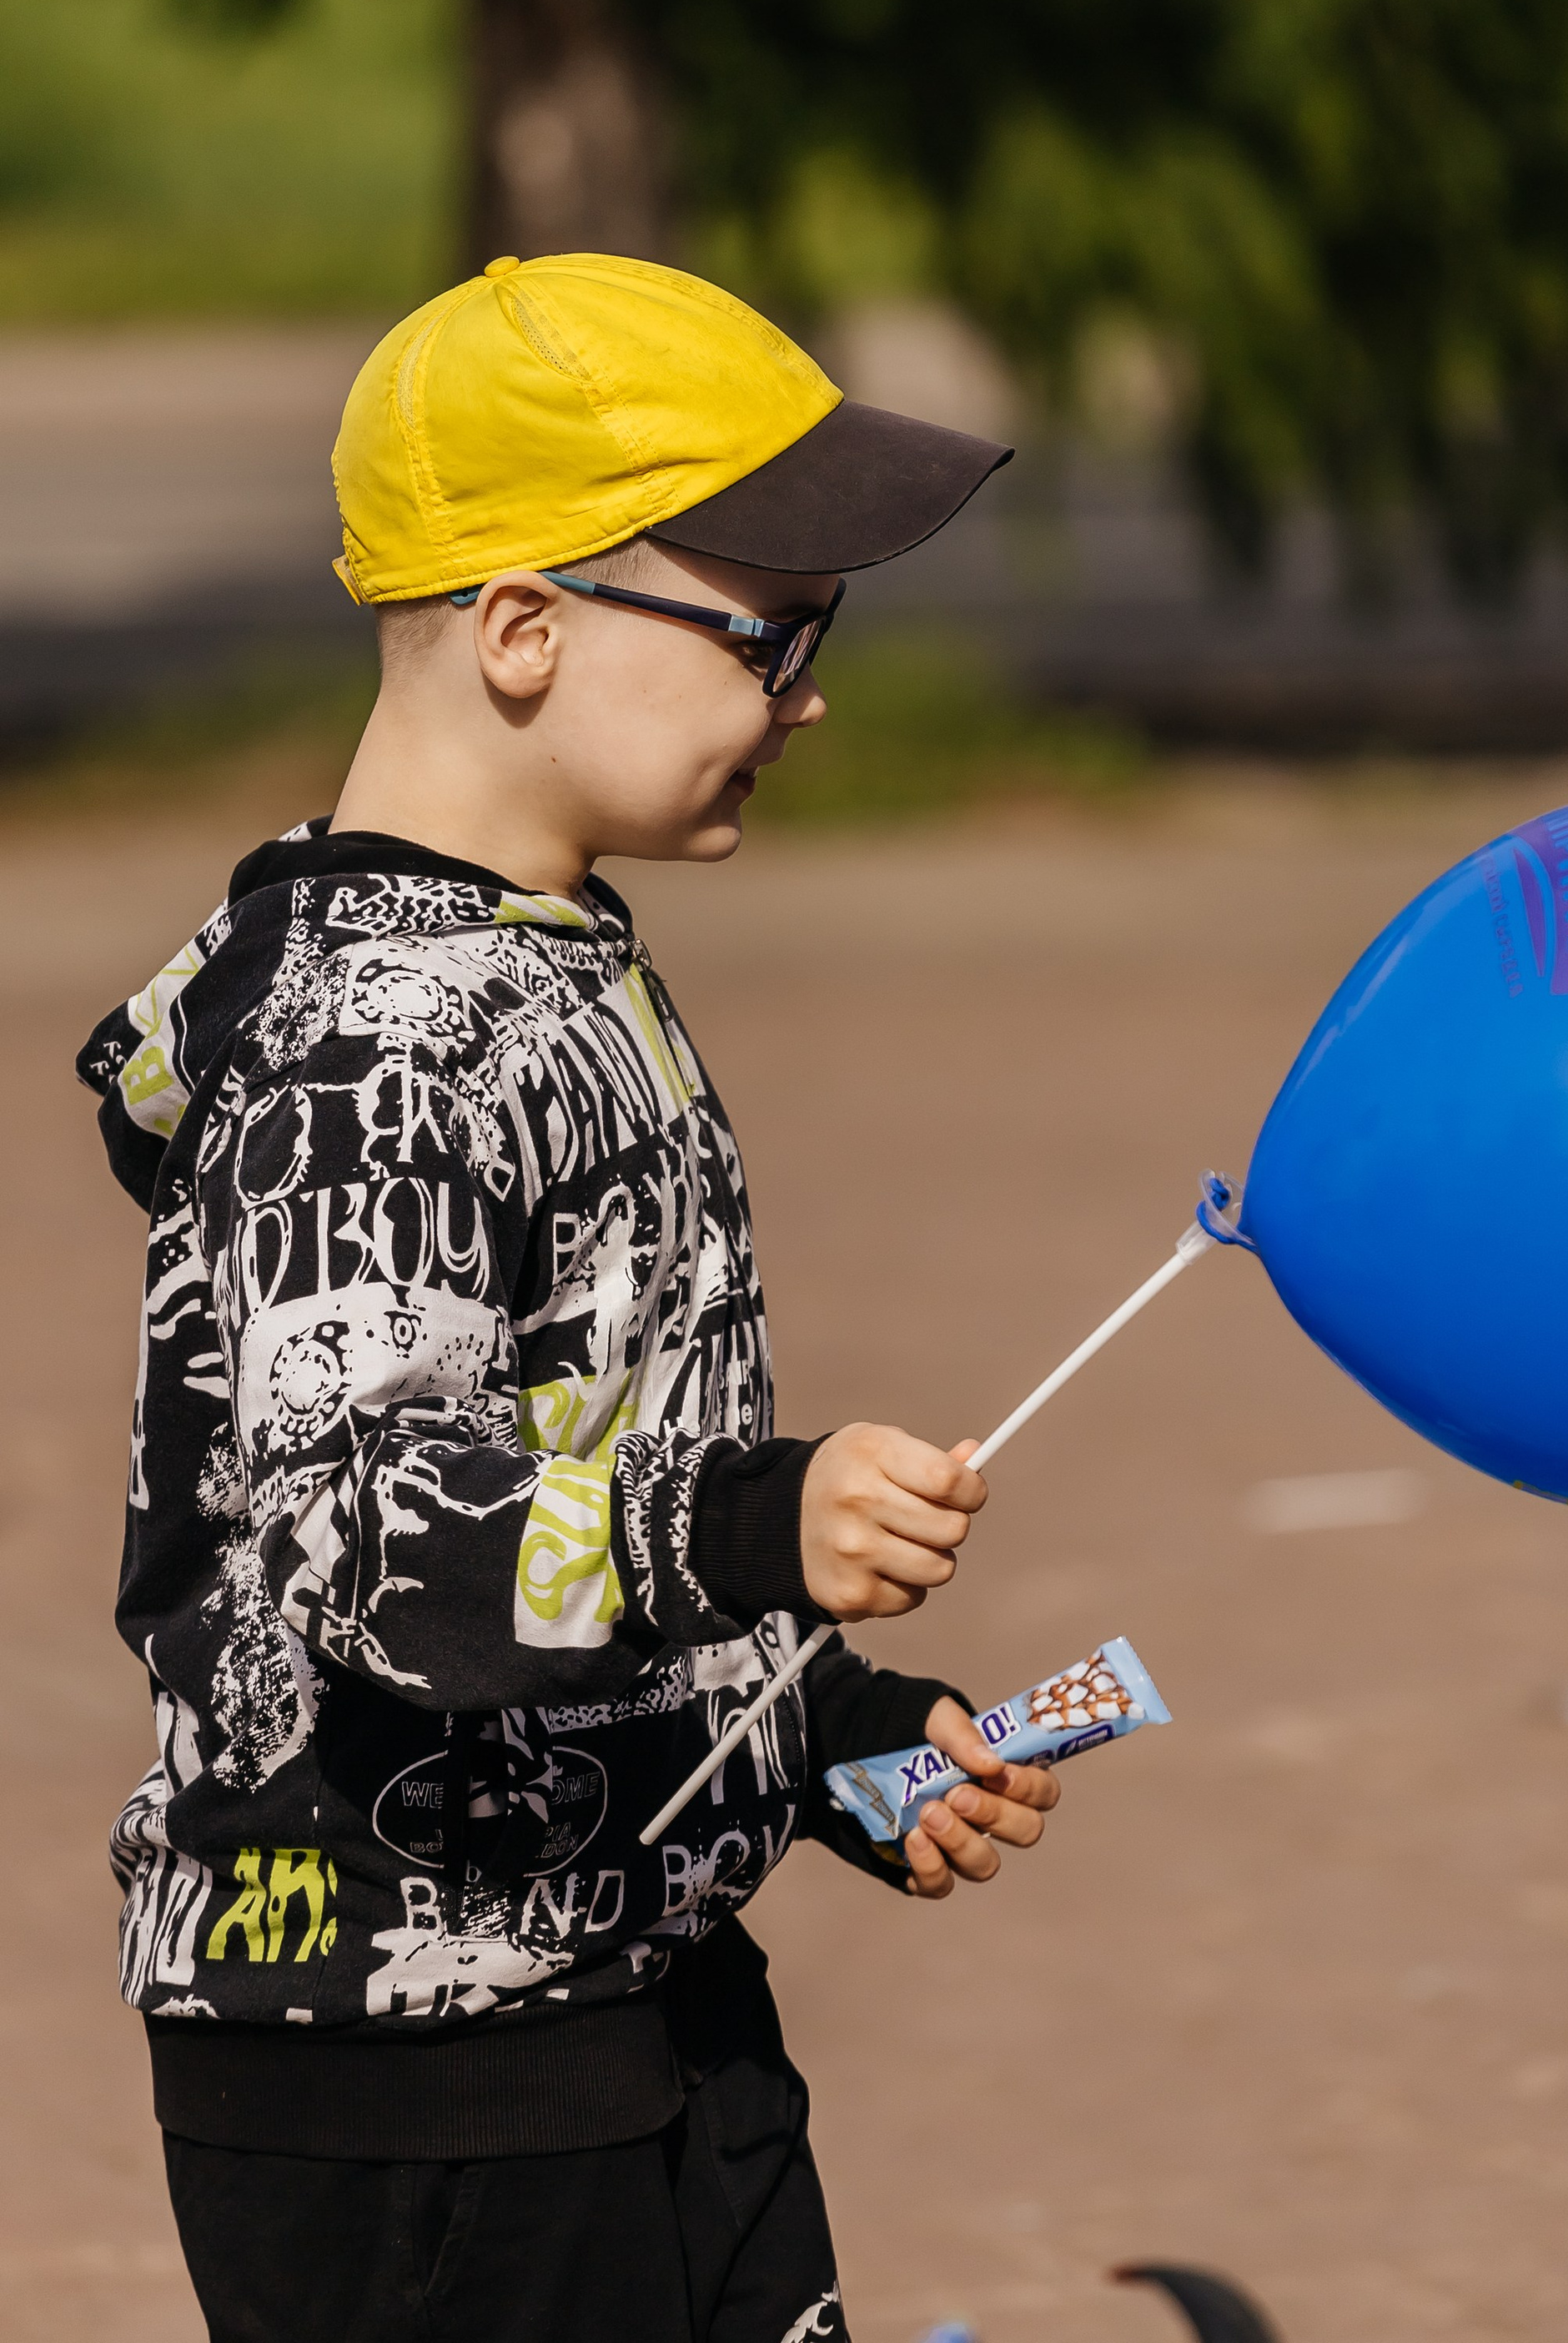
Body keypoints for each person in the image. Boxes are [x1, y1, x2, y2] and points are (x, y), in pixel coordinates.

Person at [77, 254, 1060, 2343]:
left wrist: (808, 1728)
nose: (809, 696)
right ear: (523, 629)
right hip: (413, 2071)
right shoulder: (369, 1052)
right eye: (769, 633)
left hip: (631, 1988)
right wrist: (749, 1525)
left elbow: (579, 1450)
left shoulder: (542, 948)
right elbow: (373, 1540)